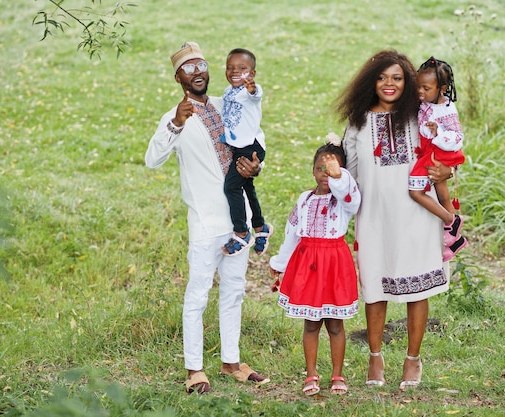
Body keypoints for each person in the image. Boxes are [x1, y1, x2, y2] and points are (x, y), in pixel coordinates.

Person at [144, 41, 269, 394]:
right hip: (205, 222)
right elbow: (152, 159)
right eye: (189, 67)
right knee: (197, 295)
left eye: (201, 65)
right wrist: (175, 123)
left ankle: (232, 362)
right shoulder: (176, 117)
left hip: (239, 220)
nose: (197, 72)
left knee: (234, 291)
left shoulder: (226, 102)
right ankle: (195, 369)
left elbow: (254, 135)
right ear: (178, 77)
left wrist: (256, 164)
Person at [335, 49, 452, 391]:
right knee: (375, 287)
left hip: (417, 214)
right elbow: (349, 175)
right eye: (383, 77)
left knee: (419, 288)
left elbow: (445, 152)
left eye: (397, 78)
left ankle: (413, 359)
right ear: (370, 83)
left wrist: (446, 170)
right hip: (373, 215)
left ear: (409, 82)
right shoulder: (357, 122)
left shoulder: (420, 116)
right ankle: (375, 356)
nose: (389, 84)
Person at [269, 140, 361, 396]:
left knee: (335, 324)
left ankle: (337, 374)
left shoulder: (343, 200)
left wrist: (339, 176)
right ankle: (311, 374)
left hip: (334, 264)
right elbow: (292, 234)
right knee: (311, 323)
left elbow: (351, 196)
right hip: (307, 265)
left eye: (332, 169)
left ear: (342, 173)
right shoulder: (304, 200)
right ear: (313, 170)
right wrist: (279, 263)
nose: (326, 174)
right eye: (321, 168)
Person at [410, 56, 467, 261]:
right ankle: (455, 239)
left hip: (438, 153)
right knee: (442, 195)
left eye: (426, 88)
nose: (420, 92)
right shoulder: (426, 101)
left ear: (442, 89)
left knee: (417, 192)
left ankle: (451, 222)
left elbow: (458, 137)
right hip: (430, 151)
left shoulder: (447, 110)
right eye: (418, 87)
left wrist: (437, 132)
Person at [220, 48, 273, 257]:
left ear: (252, 74)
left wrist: (252, 89)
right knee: (246, 186)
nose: (235, 71)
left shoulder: (250, 91)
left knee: (231, 187)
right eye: (230, 67)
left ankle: (242, 232)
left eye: (242, 69)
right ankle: (261, 228)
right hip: (238, 145)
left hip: (251, 147)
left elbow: (255, 94)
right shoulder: (228, 91)